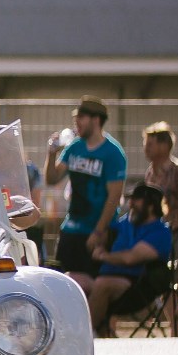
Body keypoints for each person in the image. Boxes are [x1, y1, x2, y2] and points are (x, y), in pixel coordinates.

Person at [70, 183, 173, 335]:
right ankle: (92, 331)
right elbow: (105, 234)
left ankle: (82, 335)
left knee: (102, 284)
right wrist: (98, 240)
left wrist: (105, 256)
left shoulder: (160, 233)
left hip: (135, 287)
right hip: (105, 278)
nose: (130, 204)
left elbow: (131, 258)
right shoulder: (126, 223)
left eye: (136, 200)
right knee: (71, 280)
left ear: (151, 206)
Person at [43, 97, 127, 276]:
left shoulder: (113, 153)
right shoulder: (75, 147)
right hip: (71, 229)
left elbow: (114, 197)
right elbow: (52, 178)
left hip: (96, 233)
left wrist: (98, 231)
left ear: (96, 120)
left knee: (90, 284)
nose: (76, 123)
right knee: (63, 279)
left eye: (81, 118)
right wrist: (51, 154)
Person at [140, 122, 178, 247]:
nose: (145, 148)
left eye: (150, 144)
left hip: (176, 233)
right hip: (154, 234)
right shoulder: (150, 172)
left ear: (164, 146)